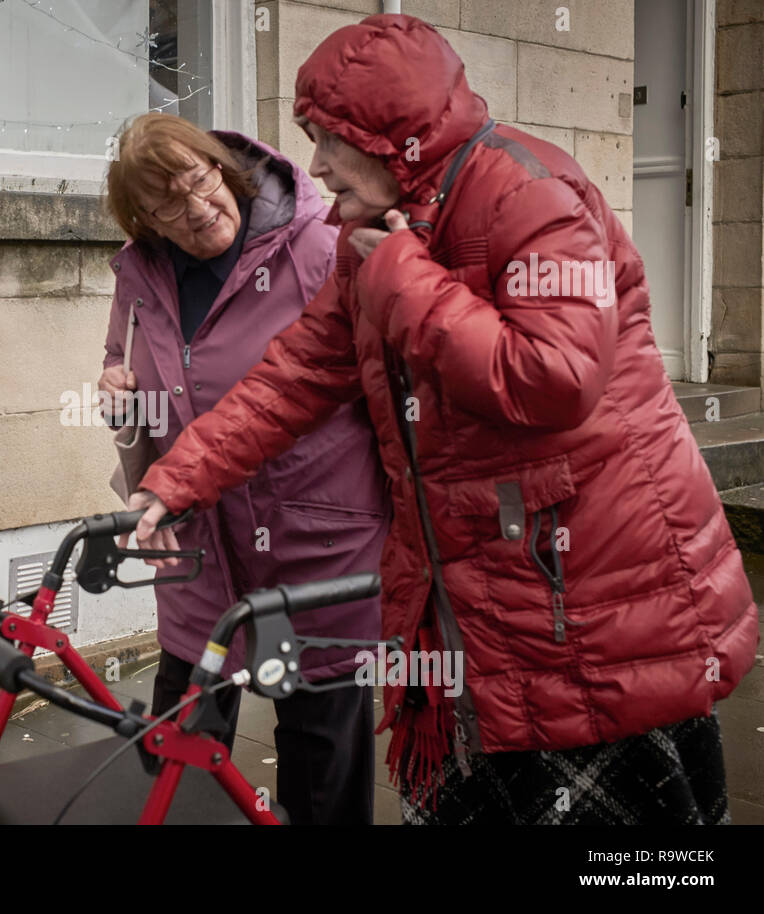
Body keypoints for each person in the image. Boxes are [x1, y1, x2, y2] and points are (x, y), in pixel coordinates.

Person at [128, 15, 759, 824]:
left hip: (595, 598)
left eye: (328, 140)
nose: (314, 164)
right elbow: (294, 375)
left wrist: (401, 277)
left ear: (395, 140)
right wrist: (175, 482)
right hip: (479, 598)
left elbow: (554, 378)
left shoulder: (535, 196)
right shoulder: (375, 232)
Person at [99, 112, 390, 824]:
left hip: (313, 540)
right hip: (197, 548)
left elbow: (387, 383)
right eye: (170, 204)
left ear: (221, 170)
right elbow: (123, 364)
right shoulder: (141, 275)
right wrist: (116, 395)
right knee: (177, 755)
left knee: (320, 759)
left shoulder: (322, 245)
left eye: (200, 182)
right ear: (145, 218)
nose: (198, 210)